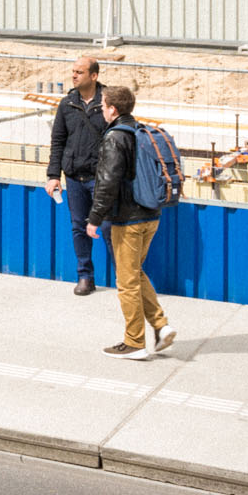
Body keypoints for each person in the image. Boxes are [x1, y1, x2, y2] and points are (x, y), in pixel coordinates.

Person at [86, 85, 175, 359]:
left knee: (126, 283)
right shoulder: (141, 132)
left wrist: (94, 218)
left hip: (127, 220)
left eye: (103, 105)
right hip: (151, 215)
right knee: (134, 272)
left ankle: (134, 342)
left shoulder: (115, 138)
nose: (101, 109)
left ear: (113, 109)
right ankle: (160, 326)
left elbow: (108, 181)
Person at [44, 52, 117, 296]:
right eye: (73, 71)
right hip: (74, 178)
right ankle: (85, 276)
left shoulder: (108, 103)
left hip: (101, 179)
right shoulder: (68, 103)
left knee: (107, 227)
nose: (73, 75)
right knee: (78, 227)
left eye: (79, 72)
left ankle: (124, 278)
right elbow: (58, 140)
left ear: (94, 76)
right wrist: (54, 175)